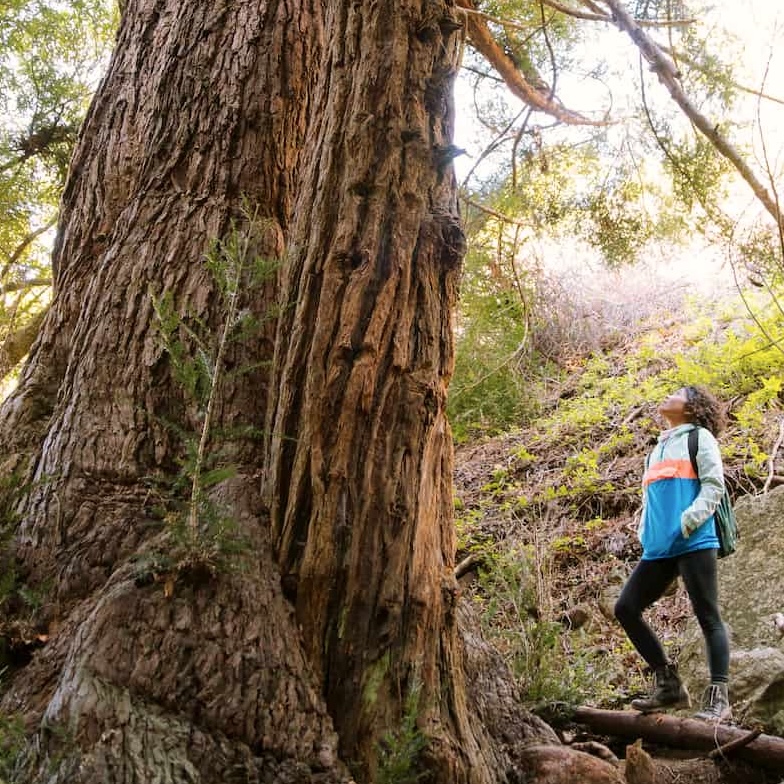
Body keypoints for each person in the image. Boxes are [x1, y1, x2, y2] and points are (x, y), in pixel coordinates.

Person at [614, 385, 731, 721]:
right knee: (626, 608)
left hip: (694, 540)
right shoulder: (657, 448)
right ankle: (668, 684)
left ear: (691, 407)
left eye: (676, 394)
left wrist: (689, 520)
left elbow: (714, 485)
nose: (667, 397)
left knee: (708, 617)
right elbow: (650, 499)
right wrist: (645, 533)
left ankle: (719, 699)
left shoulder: (700, 438)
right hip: (660, 546)